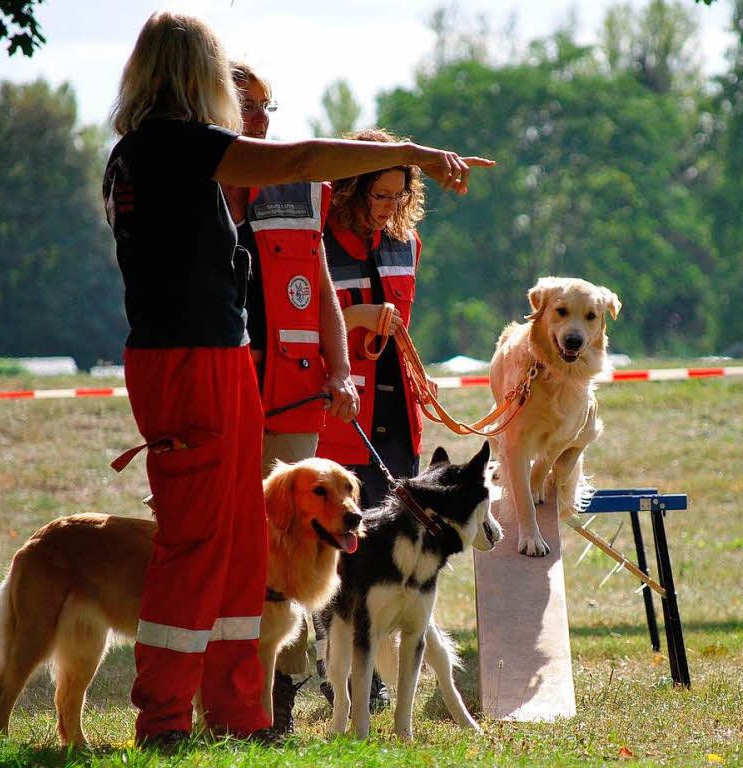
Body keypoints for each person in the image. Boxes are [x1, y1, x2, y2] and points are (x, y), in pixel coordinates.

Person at [103, 12, 493, 748]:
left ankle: (237, 709)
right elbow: (294, 159)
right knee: (196, 543)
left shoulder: (133, 152)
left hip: (195, 356)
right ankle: (166, 720)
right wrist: (408, 150)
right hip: (194, 359)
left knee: (237, 542)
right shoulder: (176, 145)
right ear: (195, 76)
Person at [224, 61, 358, 734]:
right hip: (219, 401)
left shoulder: (302, 190)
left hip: (295, 401)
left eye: (266, 108)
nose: (261, 122)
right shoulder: (184, 186)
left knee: (299, 548)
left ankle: (278, 702)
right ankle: (220, 690)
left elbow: (322, 285)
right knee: (223, 545)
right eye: (246, 107)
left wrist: (339, 372)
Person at [313, 128, 434, 706]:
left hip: (396, 413)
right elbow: (311, 322)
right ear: (348, 189)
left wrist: (419, 373)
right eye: (376, 196)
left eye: (396, 196)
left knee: (388, 544)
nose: (386, 209)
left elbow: (404, 323)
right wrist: (357, 316)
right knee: (339, 549)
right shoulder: (318, 241)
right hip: (340, 415)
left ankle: (376, 677)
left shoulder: (406, 243)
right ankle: (333, 674)